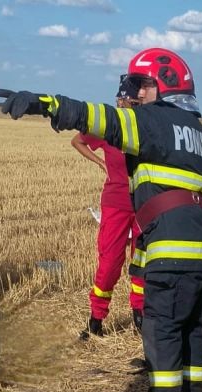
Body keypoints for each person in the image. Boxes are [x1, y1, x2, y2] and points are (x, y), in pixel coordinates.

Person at [0, 47, 202, 392]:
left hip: (173, 246)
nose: (134, 94)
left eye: (141, 85)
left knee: (162, 327)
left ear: (164, 87)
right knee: (194, 327)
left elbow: (99, 118)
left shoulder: (153, 121)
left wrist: (47, 103)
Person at [72, 78, 144, 340]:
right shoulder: (108, 125)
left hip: (145, 204)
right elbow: (77, 141)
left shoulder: (147, 126)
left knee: (142, 262)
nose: (123, 105)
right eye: (121, 101)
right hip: (116, 203)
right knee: (110, 261)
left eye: (129, 102)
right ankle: (96, 320)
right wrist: (100, 163)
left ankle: (140, 317)